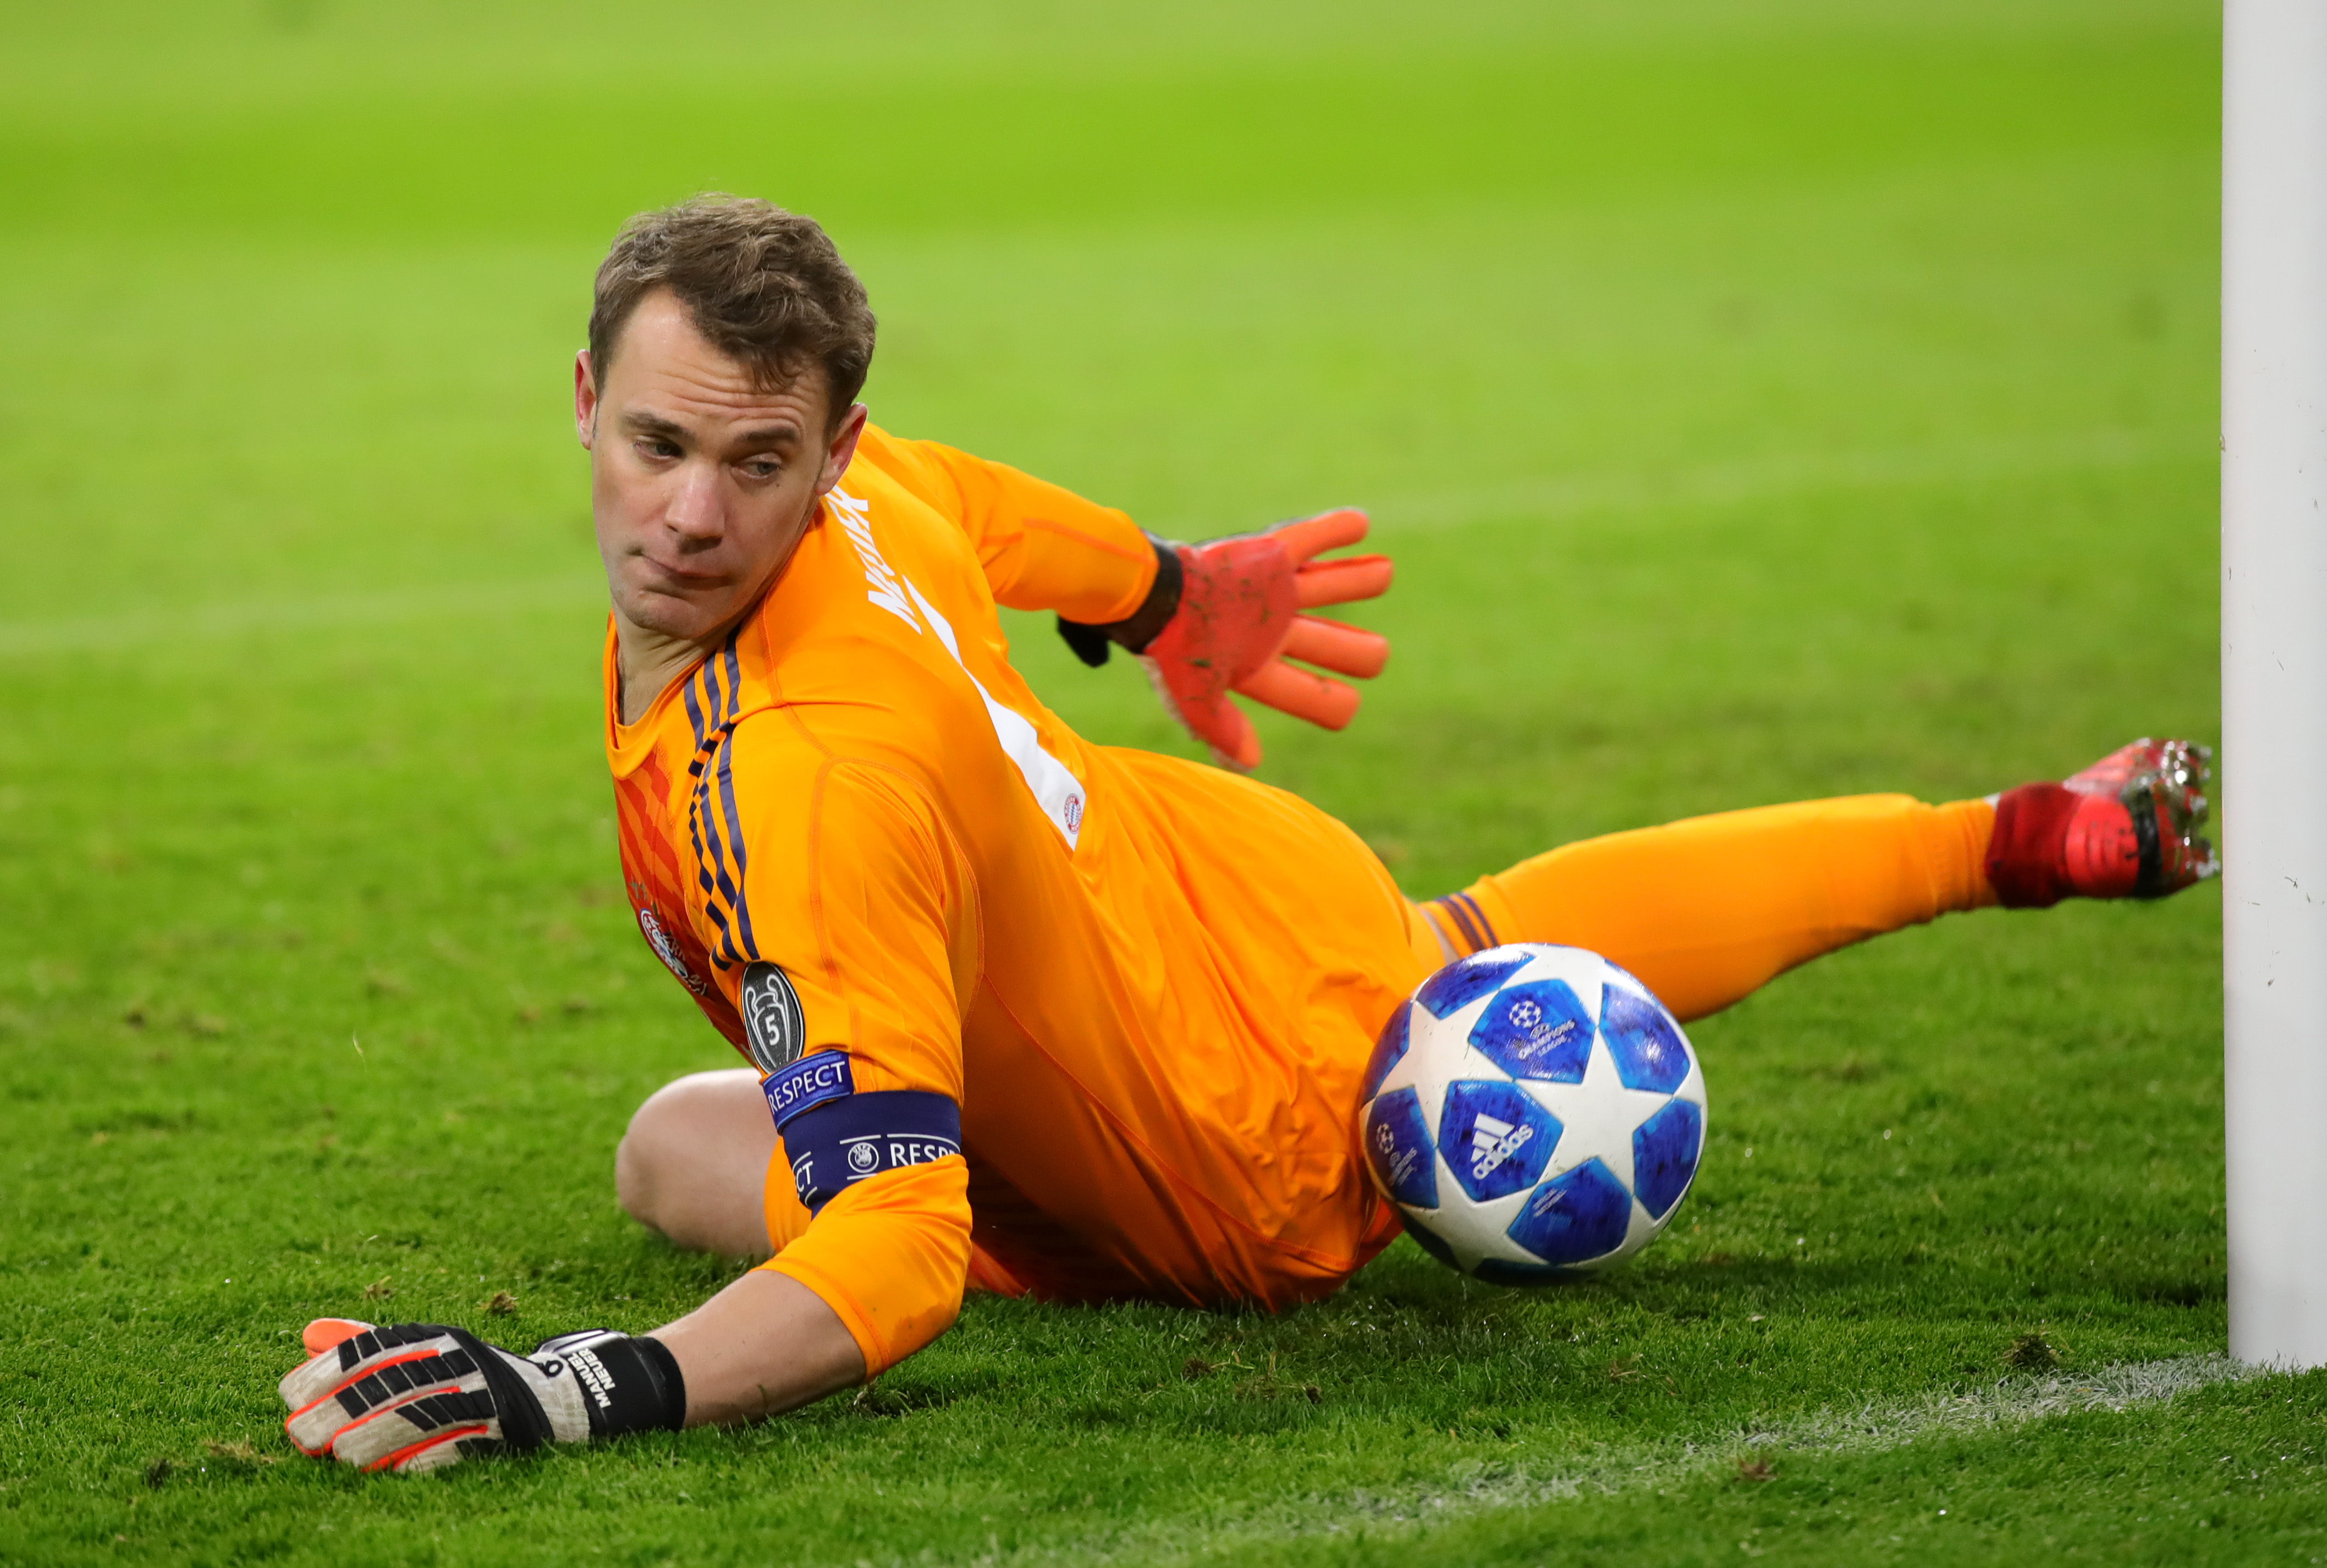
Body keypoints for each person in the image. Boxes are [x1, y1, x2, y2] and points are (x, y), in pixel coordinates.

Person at [277, 196, 2216, 1473]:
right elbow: (984, 504)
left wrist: (577, 1384)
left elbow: (901, 1245)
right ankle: (2021, 835)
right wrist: (1164, 586)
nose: (694, 512)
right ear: (589, 403)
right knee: (1450, 940)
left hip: (1233, 1155)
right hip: (1223, 884)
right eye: (658, 445)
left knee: (713, 1158)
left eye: (758, 462)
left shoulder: (809, 776)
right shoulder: (873, 505)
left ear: (826, 455)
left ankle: (1999, 840)